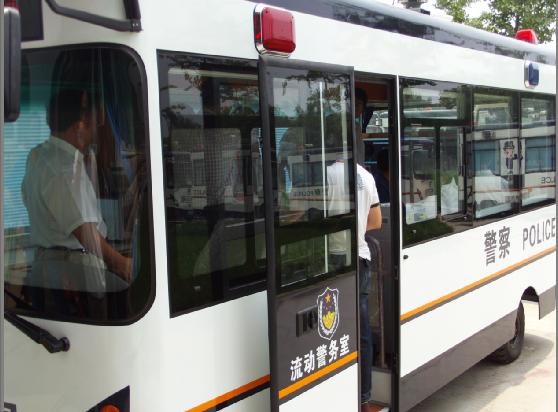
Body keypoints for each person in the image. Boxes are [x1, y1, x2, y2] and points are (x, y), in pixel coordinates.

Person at [22, 89, 132, 313]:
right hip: (72, 275)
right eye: (94, 124)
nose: (97, 131)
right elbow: (85, 233)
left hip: (49, 267)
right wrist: (122, 264)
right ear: (80, 125)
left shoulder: (38, 155)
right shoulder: (65, 169)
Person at [357, 161, 382, 412]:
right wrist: (356, 228)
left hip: (328, 259)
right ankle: (364, 399)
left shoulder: (320, 173)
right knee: (362, 333)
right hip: (359, 259)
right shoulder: (365, 176)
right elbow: (376, 221)